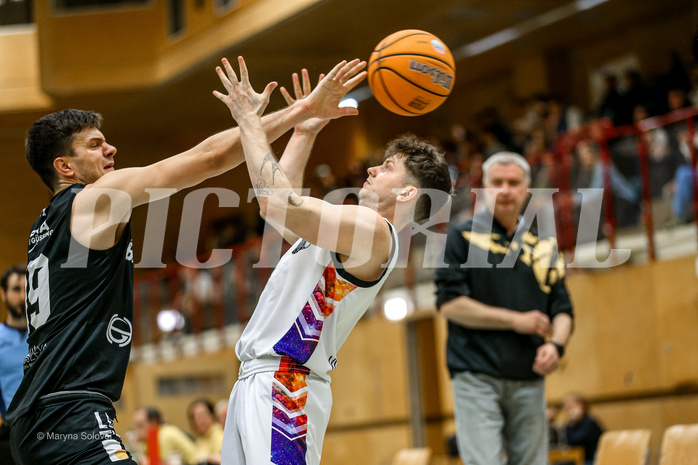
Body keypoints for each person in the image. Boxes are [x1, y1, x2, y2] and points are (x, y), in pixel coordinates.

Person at [6, 56, 367, 465]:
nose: (110, 148)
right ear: (64, 167)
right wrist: (301, 110)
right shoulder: (94, 200)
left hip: (36, 416)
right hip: (70, 415)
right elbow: (208, 159)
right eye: (94, 145)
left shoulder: (45, 225)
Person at [213, 57, 453, 465]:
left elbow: (275, 202)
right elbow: (276, 211)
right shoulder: (348, 232)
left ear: (409, 194)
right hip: (261, 380)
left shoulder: (375, 231)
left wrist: (250, 120)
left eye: (389, 166)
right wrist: (304, 130)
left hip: (287, 386)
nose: (372, 168)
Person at [434, 151, 574, 465]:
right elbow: (450, 304)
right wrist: (515, 321)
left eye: (513, 183)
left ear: (527, 189)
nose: (505, 190)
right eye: (497, 182)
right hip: (475, 374)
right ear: (483, 187)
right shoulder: (461, 237)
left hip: (529, 376)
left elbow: (563, 309)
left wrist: (556, 345)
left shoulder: (544, 247)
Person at [0, 264, 28, 465]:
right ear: (3, 294)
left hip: (46, 430)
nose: (23, 296)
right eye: (17, 289)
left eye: (28, 289)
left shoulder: (46, 335)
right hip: (8, 435)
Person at [132, 406, 198, 465]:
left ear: (154, 422)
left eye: (140, 425)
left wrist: (136, 446)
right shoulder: (147, 439)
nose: (137, 431)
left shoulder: (165, 434)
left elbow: (153, 463)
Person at [563, 393, 603, 465]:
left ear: (581, 406)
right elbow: (565, 441)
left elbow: (574, 441)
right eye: (568, 408)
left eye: (571, 407)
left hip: (592, 461)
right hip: (579, 460)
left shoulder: (590, 423)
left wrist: (570, 424)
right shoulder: (574, 424)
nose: (569, 411)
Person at [188, 399, 224, 465]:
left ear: (212, 416)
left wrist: (207, 458)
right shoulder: (201, 438)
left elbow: (223, 460)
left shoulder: (219, 436)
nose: (200, 420)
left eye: (202, 415)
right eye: (196, 417)